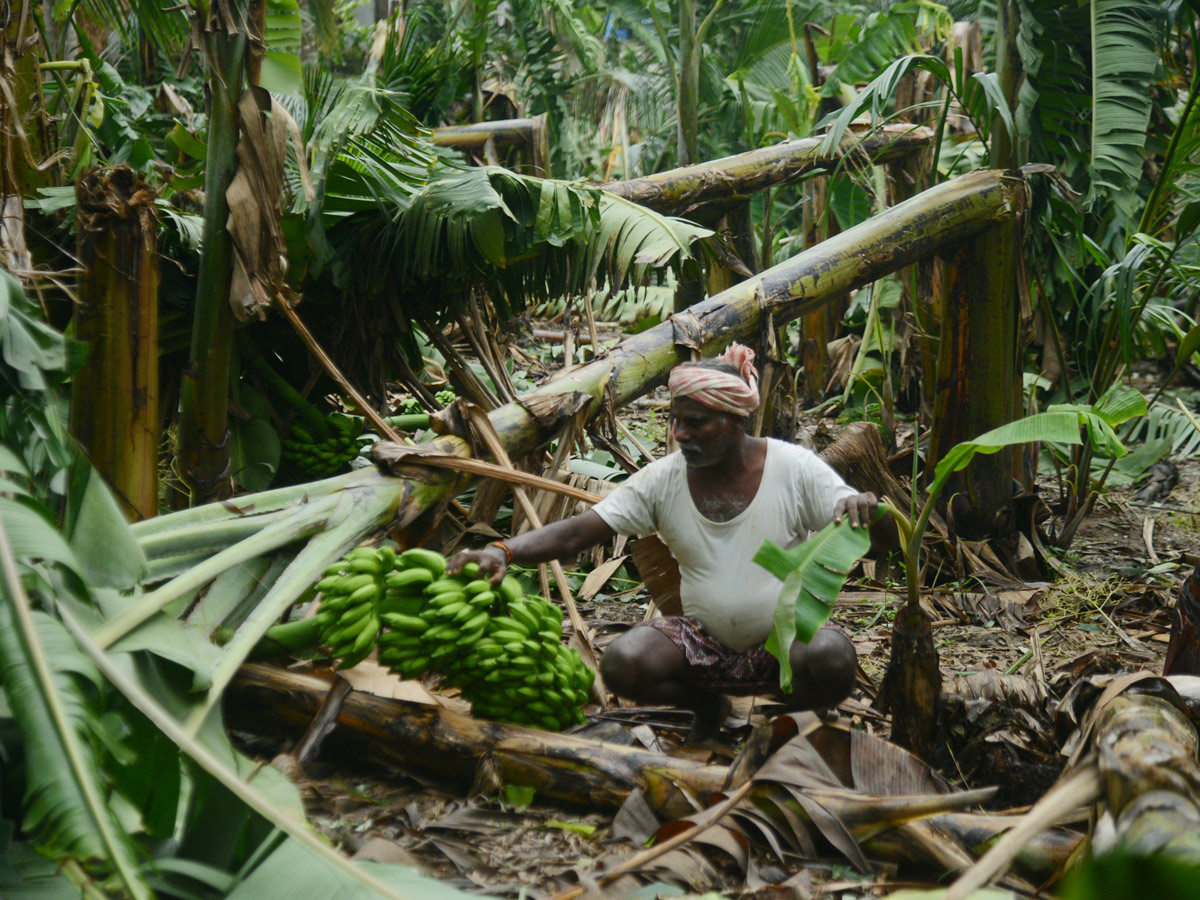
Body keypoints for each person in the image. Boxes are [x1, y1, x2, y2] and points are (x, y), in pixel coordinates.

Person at [447, 343, 889, 741]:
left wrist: (864, 507)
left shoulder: (793, 468)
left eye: (695, 423)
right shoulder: (663, 480)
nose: (679, 434)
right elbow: (582, 529)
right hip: (702, 644)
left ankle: (792, 729)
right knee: (623, 662)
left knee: (832, 656)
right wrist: (503, 550)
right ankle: (705, 705)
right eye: (676, 421)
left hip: (786, 641)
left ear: (735, 419)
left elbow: (854, 518)